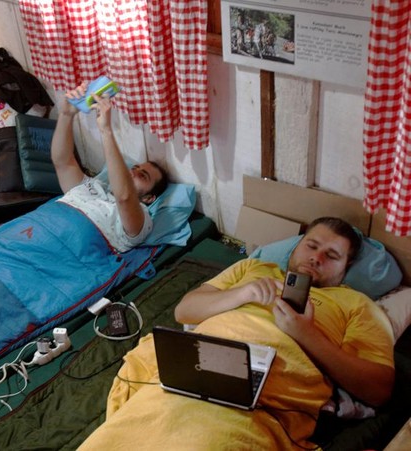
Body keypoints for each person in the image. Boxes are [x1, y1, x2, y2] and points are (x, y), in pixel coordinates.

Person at [80, 217, 395, 449]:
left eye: (332, 256)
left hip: (261, 406)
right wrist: (241, 295)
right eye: (312, 245)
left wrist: (306, 334)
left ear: (345, 270)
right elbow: (184, 311)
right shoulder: (252, 269)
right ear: (297, 246)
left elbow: (378, 389)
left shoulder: (356, 304)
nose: (317, 257)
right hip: (189, 375)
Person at [51, 83, 169, 252]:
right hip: (41, 224)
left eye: (142, 176)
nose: (132, 172)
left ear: (149, 198)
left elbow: (124, 196)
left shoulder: (141, 219)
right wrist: (66, 114)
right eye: (134, 168)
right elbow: (62, 163)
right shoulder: (91, 187)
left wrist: (106, 130)